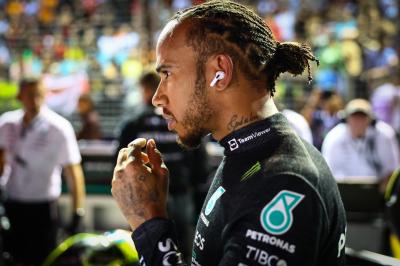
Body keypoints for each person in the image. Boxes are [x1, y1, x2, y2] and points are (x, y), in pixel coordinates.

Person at [111, 1, 346, 265]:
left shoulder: (282, 182)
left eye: (167, 74)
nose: (157, 97)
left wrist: (148, 223)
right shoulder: (251, 153)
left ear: (219, 73)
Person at [115, 71, 208, 258]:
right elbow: (199, 159)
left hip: (145, 196)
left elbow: (120, 162)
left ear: (147, 89)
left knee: (148, 247)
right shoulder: (182, 120)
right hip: (181, 191)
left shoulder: (133, 124)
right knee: (182, 246)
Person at [0, 78, 86, 265]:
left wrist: (77, 212)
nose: (35, 100)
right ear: (19, 96)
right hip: (12, 204)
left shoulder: (59, 127)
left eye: (39, 95)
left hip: (44, 208)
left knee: (44, 259)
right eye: (30, 95)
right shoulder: (7, 124)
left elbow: (74, 172)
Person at [322, 98, 400, 186]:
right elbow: (327, 173)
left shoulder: (384, 135)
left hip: (376, 190)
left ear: (370, 120)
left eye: (362, 117)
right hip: (343, 190)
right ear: (346, 119)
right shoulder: (334, 137)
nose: (358, 121)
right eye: (354, 117)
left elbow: (392, 170)